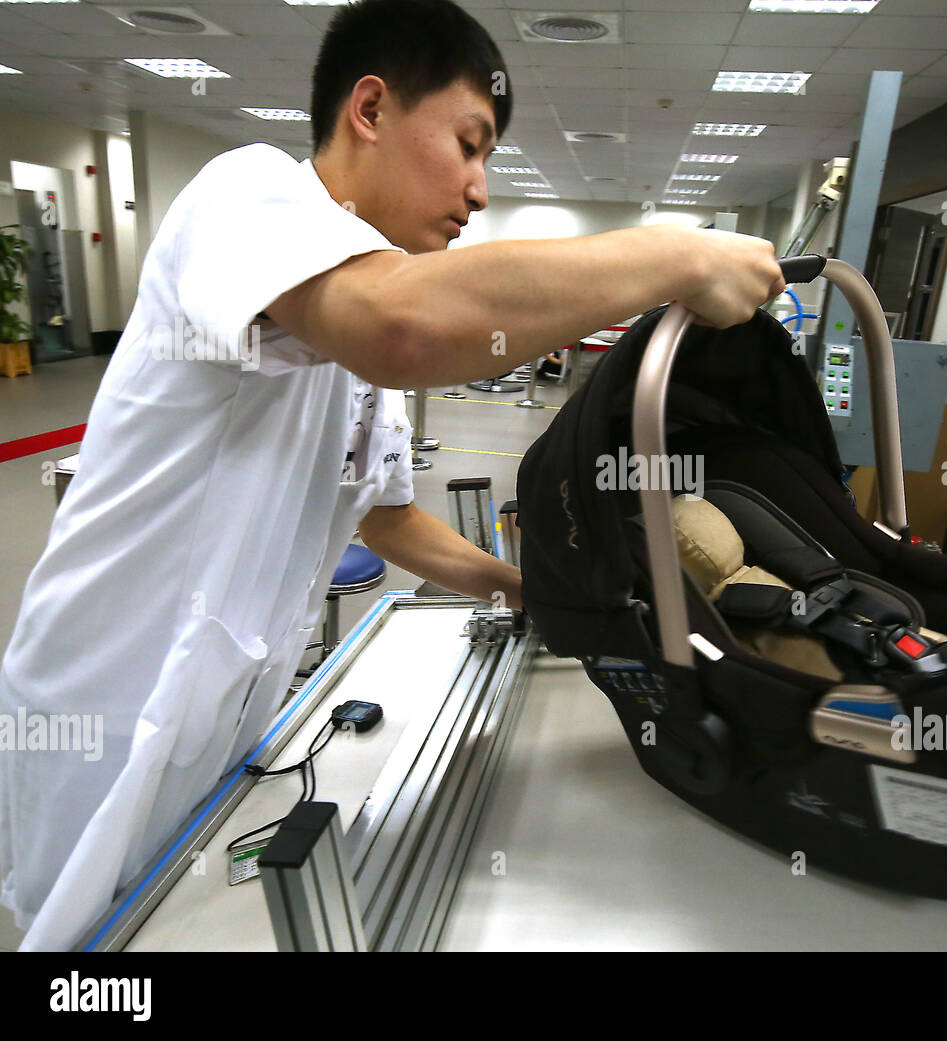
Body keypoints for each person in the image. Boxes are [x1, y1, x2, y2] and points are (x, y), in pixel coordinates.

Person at [0, 0, 784, 950]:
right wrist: (675, 252)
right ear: (369, 109)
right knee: (87, 947)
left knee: (174, 919)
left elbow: (388, 519)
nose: (480, 188)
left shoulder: (354, 303)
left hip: (220, 712)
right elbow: (401, 328)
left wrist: (528, 590)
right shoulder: (245, 197)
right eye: (468, 143)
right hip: (108, 699)